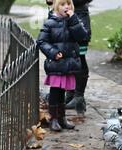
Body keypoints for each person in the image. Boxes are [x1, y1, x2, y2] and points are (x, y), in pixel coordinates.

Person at [37, 0, 88, 131]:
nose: (66, 7)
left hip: (69, 64)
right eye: (62, 4)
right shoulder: (50, 23)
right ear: (55, 6)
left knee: (63, 93)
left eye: (68, 4)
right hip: (56, 64)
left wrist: (73, 20)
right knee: (55, 92)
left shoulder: (73, 21)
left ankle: (62, 118)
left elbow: (82, 37)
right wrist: (53, 53)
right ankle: (53, 118)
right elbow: (42, 41)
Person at [64, 0, 92, 116]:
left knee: (79, 57)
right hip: (63, 16)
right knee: (67, 57)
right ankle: (70, 93)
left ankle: (79, 96)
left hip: (79, 17)